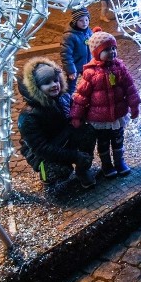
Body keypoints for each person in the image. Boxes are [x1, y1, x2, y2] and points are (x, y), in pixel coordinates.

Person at [70, 28, 141, 178]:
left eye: (114, 48)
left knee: (118, 139)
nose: (112, 52)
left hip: (118, 114)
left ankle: (119, 161)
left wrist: (134, 105)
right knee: (102, 142)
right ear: (96, 52)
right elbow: (81, 95)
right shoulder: (90, 72)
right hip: (99, 118)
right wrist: (76, 116)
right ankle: (106, 164)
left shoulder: (119, 67)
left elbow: (130, 87)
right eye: (107, 49)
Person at [17, 56, 97, 189]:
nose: (54, 85)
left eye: (55, 80)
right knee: (61, 170)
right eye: (47, 82)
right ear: (35, 88)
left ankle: (83, 169)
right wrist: (74, 155)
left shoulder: (64, 98)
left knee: (88, 131)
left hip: (63, 138)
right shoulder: (29, 115)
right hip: (42, 154)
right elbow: (41, 148)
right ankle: (46, 175)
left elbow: (78, 118)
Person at [60, 7, 92, 94]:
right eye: (81, 20)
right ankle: (67, 101)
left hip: (87, 64)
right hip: (75, 66)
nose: (84, 23)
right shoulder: (69, 36)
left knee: (91, 82)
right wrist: (71, 71)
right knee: (71, 86)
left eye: (86, 19)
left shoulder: (88, 31)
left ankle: (89, 98)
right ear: (75, 21)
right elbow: (66, 54)